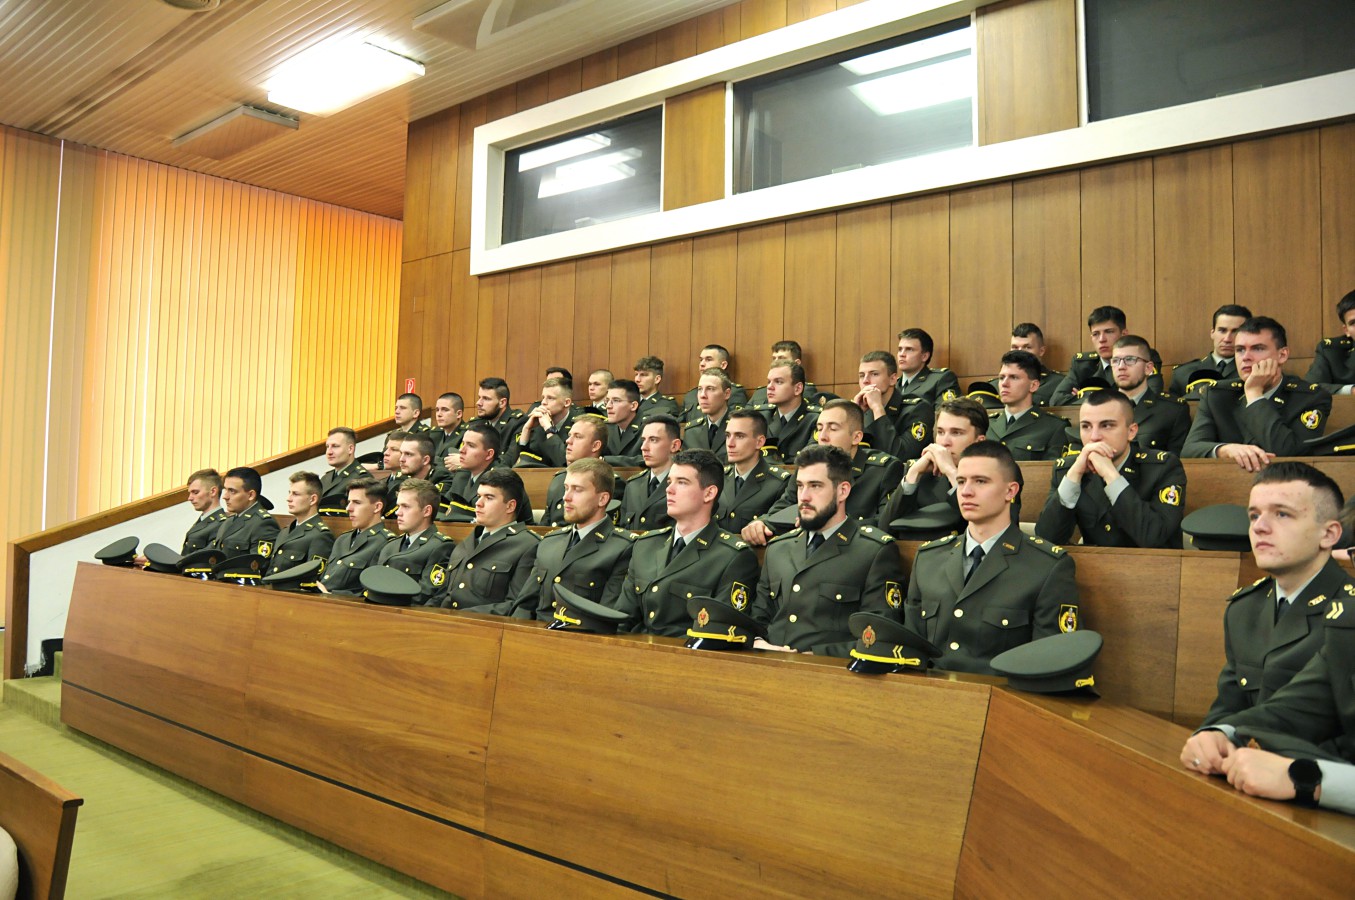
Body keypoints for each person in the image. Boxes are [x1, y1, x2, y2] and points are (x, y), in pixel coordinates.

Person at [1195, 462, 1351, 730]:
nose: (1259, 527)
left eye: (1282, 514)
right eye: (1254, 515)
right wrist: (1211, 738)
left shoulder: (1349, 612)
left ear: (1328, 534)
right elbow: (1227, 708)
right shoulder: (1244, 608)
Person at [904, 442, 1079, 675]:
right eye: (961, 481)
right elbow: (910, 651)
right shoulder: (929, 559)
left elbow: (1050, 663)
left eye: (980, 481)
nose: (966, 491)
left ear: (1010, 491)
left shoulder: (1046, 567)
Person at [750, 444, 903, 657]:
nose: (804, 496)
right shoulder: (778, 548)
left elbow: (879, 634)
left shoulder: (873, 551)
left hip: (831, 672)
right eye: (800, 486)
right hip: (769, 666)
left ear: (843, 491)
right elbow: (758, 619)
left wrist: (817, 656)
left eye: (815, 486)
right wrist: (758, 642)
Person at [616, 449, 760, 637]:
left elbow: (719, 633)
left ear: (709, 493)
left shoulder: (732, 557)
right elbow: (622, 619)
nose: (669, 489)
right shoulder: (646, 545)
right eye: (669, 481)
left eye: (682, 482)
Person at [1035, 389, 1187, 549]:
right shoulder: (1068, 470)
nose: (1094, 437)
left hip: (1153, 563)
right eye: (1086, 426)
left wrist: (1111, 475)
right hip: (1095, 563)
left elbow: (1153, 537)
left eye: (1106, 425)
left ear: (1131, 432)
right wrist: (1074, 476)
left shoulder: (1163, 467)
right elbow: (1046, 540)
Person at [489, 458, 637, 620]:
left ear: (602, 499)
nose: (566, 497)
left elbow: (607, 617)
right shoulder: (550, 542)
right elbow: (524, 606)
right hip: (536, 632)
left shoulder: (623, 547)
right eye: (566, 488)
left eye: (577, 490)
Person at [742, 399, 902, 545]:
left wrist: (831, 526)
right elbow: (782, 508)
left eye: (833, 429)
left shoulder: (883, 470)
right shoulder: (809, 466)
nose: (823, 437)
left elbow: (885, 523)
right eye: (819, 429)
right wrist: (762, 523)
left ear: (856, 437)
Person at [1183, 316, 1332, 469]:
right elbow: (1189, 450)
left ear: (1282, 355)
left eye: (1258, 348)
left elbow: (1289, 453)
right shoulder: (1216, 394)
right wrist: (1225, 449)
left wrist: (1254, 393)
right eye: (1240, 350)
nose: (1246, 357)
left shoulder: (1311, 397)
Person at [429, 468, 541, 611]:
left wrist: (461, 616)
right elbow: (443, 595)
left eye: (489, 497)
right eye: (478, 496)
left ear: (510, 506)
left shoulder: (528, 545)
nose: (478, 503)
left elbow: (516, 606)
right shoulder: (469, 541)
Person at [879, 398, 988, 532]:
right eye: (940, 432)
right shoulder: (921, 473)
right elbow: (884, 530)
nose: (945, 442)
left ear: (979, 442)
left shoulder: (995, 475)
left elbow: (985, 526)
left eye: (956, 433)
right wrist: (913, 474)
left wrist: (951, 472)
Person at [1096, 334, 1191, 455]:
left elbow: (1178, 462)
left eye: (1130, 360)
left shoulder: (1172, 410)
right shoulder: (1099, 407)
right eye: (1115, 361)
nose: (1121, 367)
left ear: (1148, 368)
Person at [1051, 306, 1164, 405]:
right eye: (1096, 334)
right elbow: (1056, 400)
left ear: (1124, 334)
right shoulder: (1082, 364)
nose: (1102, 339)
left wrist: (1086, 397)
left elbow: (1151, 396)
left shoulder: (1142, 356)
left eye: (1109, 332)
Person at [375, 478, 455, 605]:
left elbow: (426, 595)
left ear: (426, 511)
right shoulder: (390, 545)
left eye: (406, 507)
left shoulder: (440, 547)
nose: (398, 512)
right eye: (398, 506)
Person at [984, 350, 1070, 461]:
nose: (1004, 383)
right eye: (1001, 377)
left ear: (1033, 386)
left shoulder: (1054, 427)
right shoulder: (986, 424)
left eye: (1014, 377)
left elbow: (1049, 470)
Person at [539, 416, 624, 526]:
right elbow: (545, 526)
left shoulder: (611, 482)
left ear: (595, 446)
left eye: (578, 437)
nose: (568, 441)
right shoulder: (559, 479)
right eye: (569, 435)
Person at [715, 410, 791, 532]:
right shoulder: (718, 478)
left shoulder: (778, 483)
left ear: (759, 442)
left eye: (739, 436)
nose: (730, 444)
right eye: (728, 435)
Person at [439, 422, 530, 523]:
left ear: (489, 454)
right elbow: (446, 510)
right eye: (463, 444)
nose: (461, 450)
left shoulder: (502, 479)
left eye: (471, 446)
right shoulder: (462, 475)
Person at [316, 479, 393, 595]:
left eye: (357, 502)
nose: (348, 508)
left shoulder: (385, 543)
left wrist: (329, 595)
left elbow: (370, 593)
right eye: (349, 502)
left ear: (377, 507)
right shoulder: (343, 539)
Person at [854, 350, 933, 462]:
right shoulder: (859, 409)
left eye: (874, 374)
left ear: (892, 379)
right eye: (862, 376)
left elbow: (899, 456)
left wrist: (878, 409)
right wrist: (855, 413)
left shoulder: (918, 409)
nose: (865, 381)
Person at [1168, 304, 1252, 397]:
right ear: (1212, 333)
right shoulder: (1182, 373)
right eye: (1222, 330)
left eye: (1235, 331)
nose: (1227, 339)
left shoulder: (1252, 372)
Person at [262, 472, 335, 577]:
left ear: (313, 499)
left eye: (295, 494)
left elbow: (312, 578)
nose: (289, 498)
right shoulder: (285, 532)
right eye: (289, 493)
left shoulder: (320, 536)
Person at [617, 414, 681, 532]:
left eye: (653, 440)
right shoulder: (633, 485)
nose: (643, 447)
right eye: (643, 440)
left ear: (674, 445)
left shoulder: (684, 486)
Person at [751, 360, 819, 464]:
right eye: (769, 382)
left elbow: (811, 461)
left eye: (778, 382)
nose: (769, 387)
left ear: (798, 388)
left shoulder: (815, 419)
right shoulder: (760, 416)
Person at [210, 466, 281, 558]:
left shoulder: (263, 524)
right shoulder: (229, 521)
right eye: (225, 489)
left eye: (232, 491)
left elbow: (258, 563)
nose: (225, 496)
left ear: (251, 495)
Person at [507, 377, 576, 467]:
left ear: (566, 402)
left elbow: (564, 462)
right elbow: (514, 462)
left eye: (550, 398)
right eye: (543, 397)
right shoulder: (536, 424)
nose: (543, 402)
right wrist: (526, 429)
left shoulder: (577, 425)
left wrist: (549, 430)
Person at [991, 323, 1064, 407]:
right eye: (1015, 347)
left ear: (1041, 351)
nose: (1019, 352)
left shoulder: (1059, 384)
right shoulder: (993, 386)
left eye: (1027, 347)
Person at [1305, 289, 1355, 395]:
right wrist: (1351, 390)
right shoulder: (1331, 350)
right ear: (1346, 330)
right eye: (1353, 323)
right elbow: (1310, 386)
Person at [895, 328, 960, 405]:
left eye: (909, 349)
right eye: (900, 349)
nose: (901, 354)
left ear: (924, 356)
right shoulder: (892, 384)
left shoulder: (941, 379)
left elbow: (947, 411)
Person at [682, 369, 734, 462]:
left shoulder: (739, 427)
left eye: (710, 389)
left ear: (726, 394)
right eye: (700, 389)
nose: (702, 395)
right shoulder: (691, 431)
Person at [681, 345, 748, 416]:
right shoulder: (690, 395)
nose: (702, 364)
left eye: (708, 359)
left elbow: (736, 419)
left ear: (723, 365)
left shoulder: (734, 391)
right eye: (701, 360)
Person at [748, 340, 817, 406]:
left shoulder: (806, 391)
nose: (776, 362)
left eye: (781, 359)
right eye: (774, 358)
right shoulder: (759, 393)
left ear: (797, 363)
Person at [318, 428, 367, 515]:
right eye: (327, 447)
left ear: (350, 449)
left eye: (335, 446)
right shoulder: (325, 478)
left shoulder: (362, 478)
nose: (329, 452)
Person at [182, 468, 226, 554]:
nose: (190, 498)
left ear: (213, 491)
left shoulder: (222, 524)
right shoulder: (202, 521)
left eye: (195, 492)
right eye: (190, 493)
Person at [475, 377, 527, 448]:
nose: (478, 403)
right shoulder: (477, 423)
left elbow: (512, 454)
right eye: (479, 398)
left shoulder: (517, 423)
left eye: (486, 399)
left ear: (502, 403)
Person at [602, 379, 644, 465]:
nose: (608, 406)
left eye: (616, 400)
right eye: (607, 400)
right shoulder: (605, 428)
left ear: (633, 406)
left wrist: (606, 460)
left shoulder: (647, 428)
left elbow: (650, 458)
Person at [430, 393, 468, 470]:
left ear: (458, 414)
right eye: (437, 410)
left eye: (445, 410)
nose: (439, 414)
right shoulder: (433, 434)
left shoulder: (467, 434)